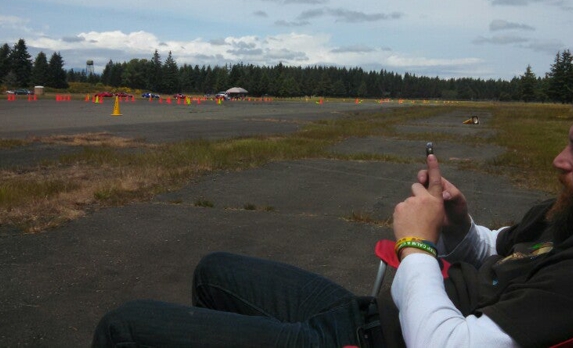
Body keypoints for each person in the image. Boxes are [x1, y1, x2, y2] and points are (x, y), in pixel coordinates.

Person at [92, 126, 573, 347]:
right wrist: (459, 224)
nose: (560, 159)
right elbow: (495, 247)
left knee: (124, 329)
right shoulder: (559, 219)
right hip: (373, 314)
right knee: (213, 270)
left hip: (372, 338)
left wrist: (417, 247)